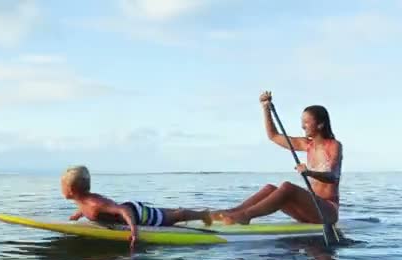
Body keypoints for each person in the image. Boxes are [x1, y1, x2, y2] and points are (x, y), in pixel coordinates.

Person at [212, 91, 343, 226]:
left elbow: (332, 176)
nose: (302, 126)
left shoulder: (334, 146)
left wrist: (309, 172)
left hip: (327, 211)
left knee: (288, 187)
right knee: (270, 189)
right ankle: (232, 212)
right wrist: (266, 108)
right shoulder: (307, 145)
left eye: (306, 122)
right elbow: (273, 136)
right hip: (311, 209)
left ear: (320, 125)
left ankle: (245, 216)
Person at [61, 165, 212, 248]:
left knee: (176, 216)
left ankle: (203, 215)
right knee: (170, 213)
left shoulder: (95, 204)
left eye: (63, 185)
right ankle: (200, 213)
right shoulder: (83, 200)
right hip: (130, 209)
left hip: (137, 215)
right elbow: (85, 207)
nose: (61, 188)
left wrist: (134, 231)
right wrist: (78, 215)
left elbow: (123, 210)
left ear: (72, 190)